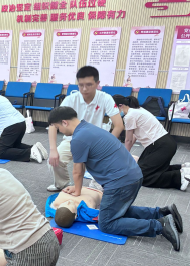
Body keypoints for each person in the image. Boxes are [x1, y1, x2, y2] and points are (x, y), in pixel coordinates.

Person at [48, 106, 183, 251]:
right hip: (134, 175)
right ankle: (162, 212)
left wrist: (77, 191)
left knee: (106, 223)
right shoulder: (89, 128)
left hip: (121, 182)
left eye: (58, 127)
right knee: (117, 210)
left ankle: (160, 225)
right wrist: (77, 187)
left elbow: (78, 171)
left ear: (65, 122)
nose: (60, 131)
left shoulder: (78, 139)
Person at [47, 66, 124, 192]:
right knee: (56, 159)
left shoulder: (105, 98)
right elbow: (53, 124)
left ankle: (96, 186)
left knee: (105, 166)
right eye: (81, 85)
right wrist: (53, 150)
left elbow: (119, 125)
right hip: (72, 139)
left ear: (97, 84)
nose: (84, 89)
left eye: (89, 85)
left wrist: (107, 144)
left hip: (95, 142)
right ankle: (63, 184)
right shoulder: (70, 99)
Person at [115, 95, 190, 191]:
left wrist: (124, 157)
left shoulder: (129, 116)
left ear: (120, 105)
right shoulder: (138, 110)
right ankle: (182, 168)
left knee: (142, 176)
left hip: (161, 146)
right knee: (147, 169)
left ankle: (179, 177)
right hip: (163, 144)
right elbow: (133, 137)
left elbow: (128, 140)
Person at [0, 88, 47, 162]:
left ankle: (30, 152)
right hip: (21, 123)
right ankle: (35, 148)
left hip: (11, 126)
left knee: (2, 152)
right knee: (14, 145)